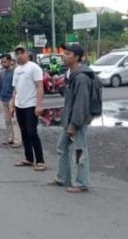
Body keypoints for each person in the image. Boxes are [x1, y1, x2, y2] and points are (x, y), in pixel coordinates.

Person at [51, 44, 94, 193]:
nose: (64, 56)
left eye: (68, 54)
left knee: (79, 151)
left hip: (77, 120)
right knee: (62, 148)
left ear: (76, 57)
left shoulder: (81, 77)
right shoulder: (71, 74)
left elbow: (81, 103)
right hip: (69, 118)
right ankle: (63, 178)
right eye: (64, 53)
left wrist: (74, 125)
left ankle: (81, 183)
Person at [10, 45, 46, 172]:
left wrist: (39, 104)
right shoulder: (17, 70)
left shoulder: (34, 68)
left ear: (27, 54)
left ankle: (40, 160)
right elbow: (16, 89)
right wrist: (12, 104)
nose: (19, 55)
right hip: (20, 104)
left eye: (21, 52)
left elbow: (39, 87)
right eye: (17, 53)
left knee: (32, 132)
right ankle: (29, 158)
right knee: (24, 132)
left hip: (31, 104)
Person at [0, 54, 22, 148]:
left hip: (12, 99)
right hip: (3, 99)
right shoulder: (2, 74)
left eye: (5, 62)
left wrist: (15, 100)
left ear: (10, 61)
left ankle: (17, 141)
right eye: (2, 62)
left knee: (14, 120)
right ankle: (10, 138)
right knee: (7, 121)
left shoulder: (15, 72)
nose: (3, 64)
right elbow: (0, 87)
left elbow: (17, 87)